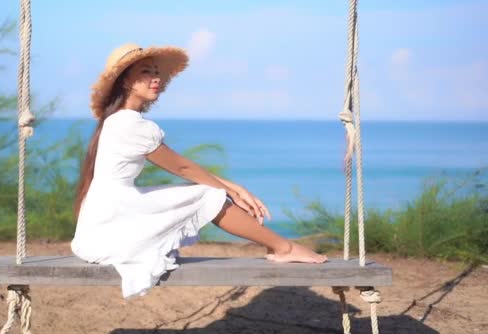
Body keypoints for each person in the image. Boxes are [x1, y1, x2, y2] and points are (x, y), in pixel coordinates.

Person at [71, 43, 327, 299]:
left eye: (157, 72)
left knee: (207, 192)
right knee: (207, 196)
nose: (156, 78)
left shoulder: (120, 121)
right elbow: (182, 167)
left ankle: (282, 247)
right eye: (146, 72)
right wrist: (230, 192)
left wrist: (233, 188)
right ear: (125, 81)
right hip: (113, 219)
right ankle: (284, 247)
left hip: (105, 218)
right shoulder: (131, 125)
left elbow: (182, 164)